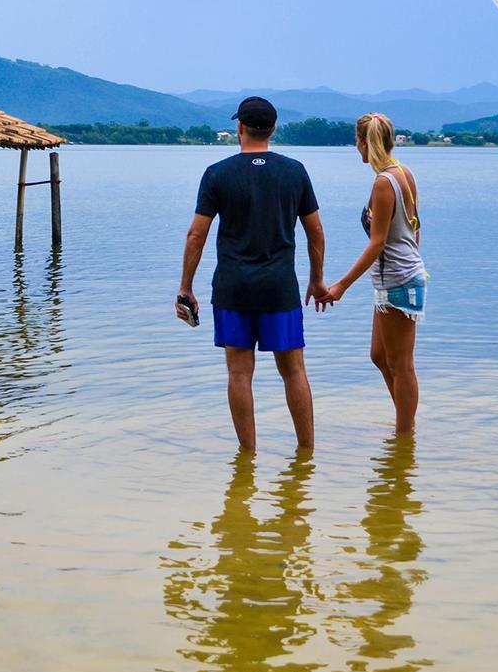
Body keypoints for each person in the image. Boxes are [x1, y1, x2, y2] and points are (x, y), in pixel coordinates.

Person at [177, 96, 327, 450]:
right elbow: (316, 232)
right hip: (280, 288)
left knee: (239, 373)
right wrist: (317, 278)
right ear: (273, 129)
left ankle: (248, 456)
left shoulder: (217, 174)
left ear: (240, 128)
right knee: (294, 371)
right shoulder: (294, 171)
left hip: (234, 288)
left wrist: (186, 287)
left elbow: (196, 234)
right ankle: (306, 453)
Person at [318, 113, 426, 434]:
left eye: (357, 142)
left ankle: (405, 434)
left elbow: (377, 243)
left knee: (401, 365)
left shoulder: (384, 182)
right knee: (379, 356)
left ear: (366, 142)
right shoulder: (402, 173)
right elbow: (416, 227)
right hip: (395, 277)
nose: (356, 149)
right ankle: (404, 434)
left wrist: (341, 285)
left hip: (399, 280)